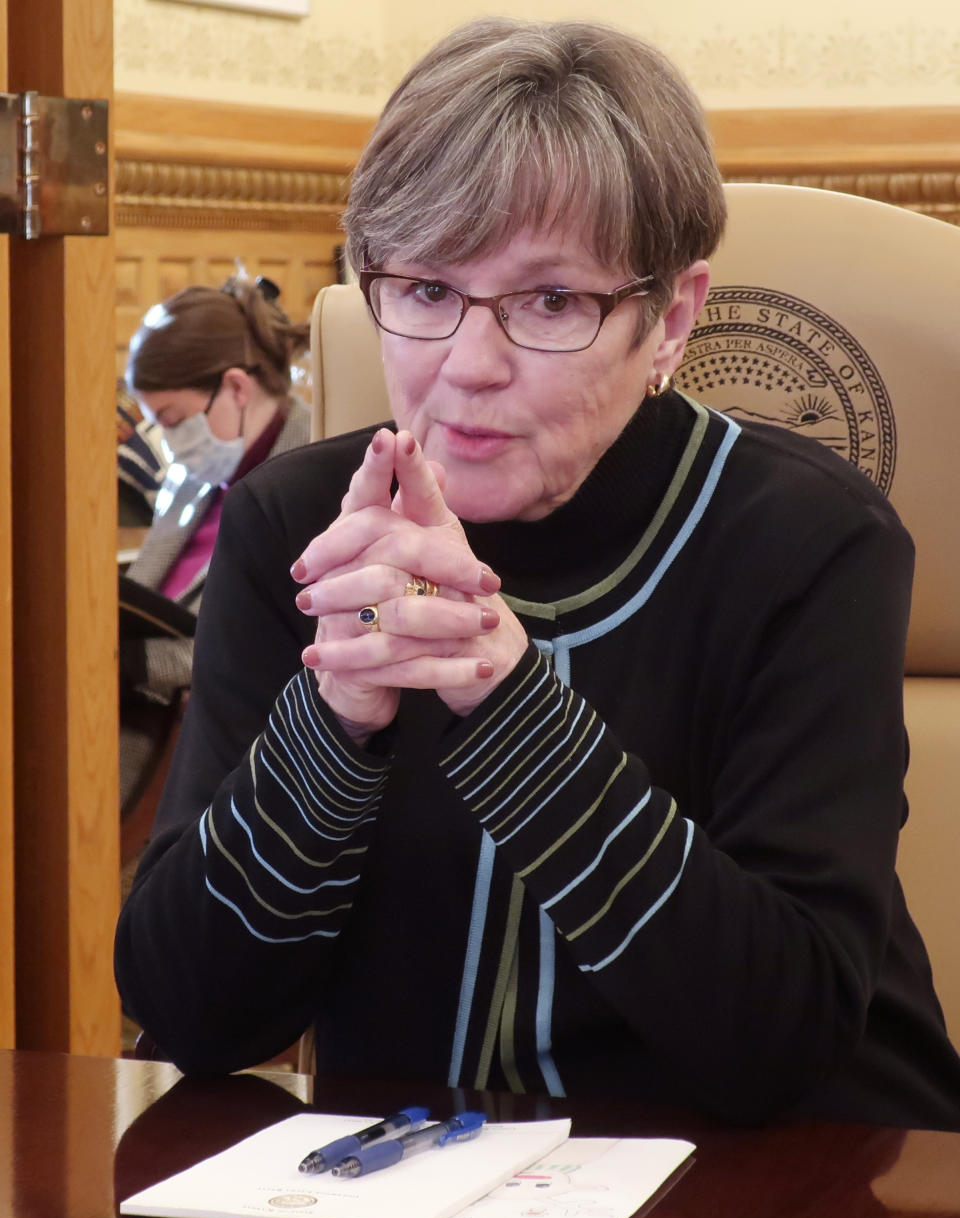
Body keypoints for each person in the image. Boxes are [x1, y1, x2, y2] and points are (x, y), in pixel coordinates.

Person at [115, 18, 960, 1128]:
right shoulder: (293, 527)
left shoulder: (810, 542)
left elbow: (783, 1041)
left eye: (552, 301)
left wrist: (510, 710)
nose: (468, 367)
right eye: (423, 289)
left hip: (796, 1190)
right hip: (418, 1203)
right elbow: (192, 1016)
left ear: (672, 321)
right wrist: (332, 731)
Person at [119, 276, 311, 816]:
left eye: (175, 422)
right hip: (135, 707)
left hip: (218, 750)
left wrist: (126, 661)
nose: (172, 445)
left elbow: (269, 652)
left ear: (236, 387)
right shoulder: (195, 474)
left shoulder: (315, 480)